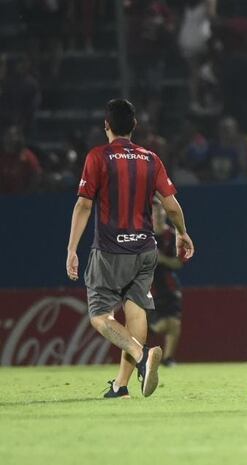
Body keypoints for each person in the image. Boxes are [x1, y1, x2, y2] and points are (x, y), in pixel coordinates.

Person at [66, 98, 195, 398]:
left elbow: (84, 204)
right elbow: (171, 205)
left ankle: (141, 356)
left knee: (100, 316)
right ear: (135, 126)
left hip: (110, 251)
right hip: (145, 251)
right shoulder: (151, 158)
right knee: (135, 313)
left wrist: (72, 248)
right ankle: (121, 385)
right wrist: (182, 233)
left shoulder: (98, 157)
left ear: (106, 126)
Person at [149, 198, 187, 367]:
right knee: (163, 324)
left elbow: (179, 262)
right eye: (154, 212)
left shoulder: (172, 236)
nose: (157, 215)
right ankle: (151, 329)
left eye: (159, 211)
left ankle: (168, 359)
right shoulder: (142, 236)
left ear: (164, 213)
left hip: (169, 286)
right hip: (148, 289)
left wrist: (162, 258)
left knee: (175, 323)